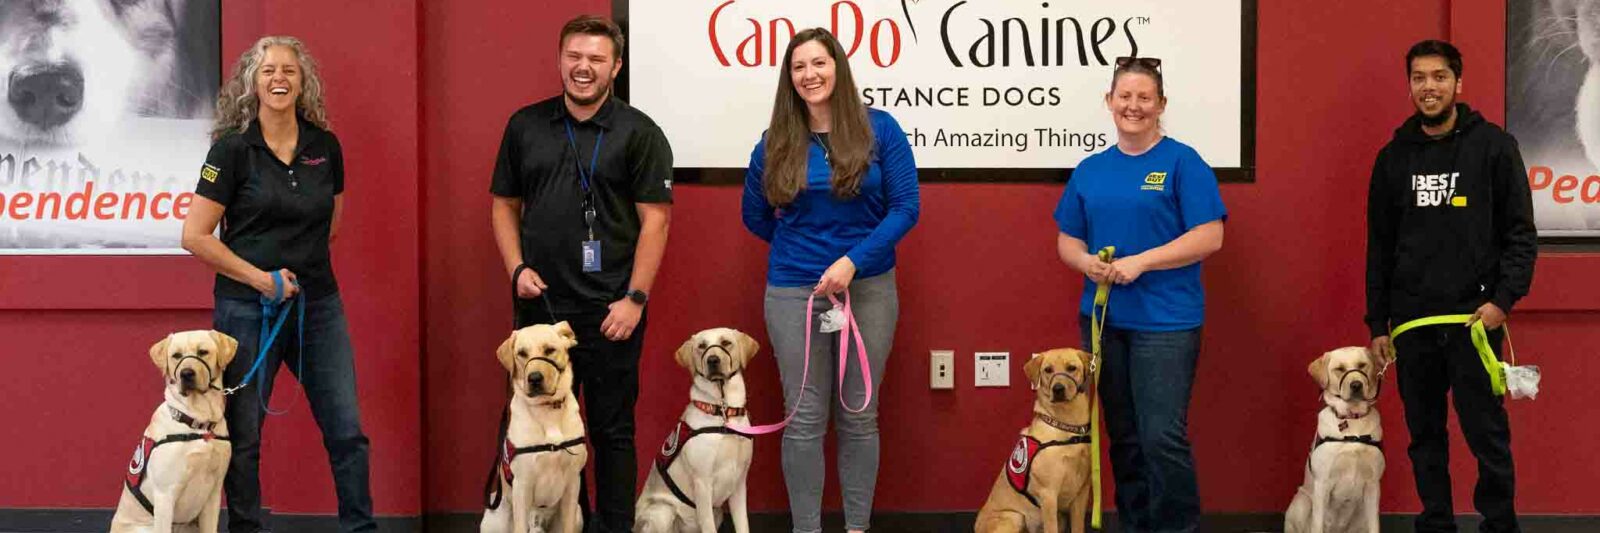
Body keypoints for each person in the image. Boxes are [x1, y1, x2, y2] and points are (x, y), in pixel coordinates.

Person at [180, 36, 375, 532]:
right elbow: (195, 237)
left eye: (289, 70)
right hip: (247, 311)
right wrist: (261, 280)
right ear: (252, 82)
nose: (279, 78)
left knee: (347, 431)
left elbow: (331, 223)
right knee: (243, 437)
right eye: (267, 71)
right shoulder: (229, 151)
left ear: (303, 81)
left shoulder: (324, 146)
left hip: (318, 307)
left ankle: (361, 528)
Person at [488, 14, 673, 532]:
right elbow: (503, 205)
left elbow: (656, 222)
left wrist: (635, 298)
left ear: (615, 66)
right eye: (574, 56)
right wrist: (516, 268)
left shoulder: (640, 133)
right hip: (541, 311)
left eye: (596, 58)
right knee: (544, 430)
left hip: (613, 308)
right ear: (560, 60)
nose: (583, 68)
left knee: (612, 432)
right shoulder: (525, 126)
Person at [741, 27, 920, 533]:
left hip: (868, 288)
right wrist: (803, 255)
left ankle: (857, 527)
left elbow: (907, 208)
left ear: (837, 68)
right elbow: (755, 216)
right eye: (799, 67)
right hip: (795, 292)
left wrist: (851, 262)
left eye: (818, 64)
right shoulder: (774, 142)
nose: (809, 75)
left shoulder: (879, 129)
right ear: (789, 78)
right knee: (803, 419)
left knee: (860, 415)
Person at [1366, 39, 1536, 533]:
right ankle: (1435, 523)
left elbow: (1521, 236)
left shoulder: (1494, 147)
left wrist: (1502, 301)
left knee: (1487, 434)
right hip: (1413, 325)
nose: (1429, 87)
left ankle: (1499, 525)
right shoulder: (1392, 159)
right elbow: (1379, 248)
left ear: (1458, 83)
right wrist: (1378, 322)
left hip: (1474, 322)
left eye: (1439, 77)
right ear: (1410, 86)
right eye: (1419, 78)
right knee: (1425, 438)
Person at [1052, 56, 1227, 533]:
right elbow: (1067, 240)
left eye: (1144, 98)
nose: (1133, 106)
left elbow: (1209, 236)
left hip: (1167, 324)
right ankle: (1134, 525)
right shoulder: (1090, 170)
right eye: (1124, 97)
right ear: (1109, 102)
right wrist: (1086, 261)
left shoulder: (1182, 162)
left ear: (1161, 104)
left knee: (1161, 437)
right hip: (1104, 323)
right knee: (1124, 438)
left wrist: (1142, 261)